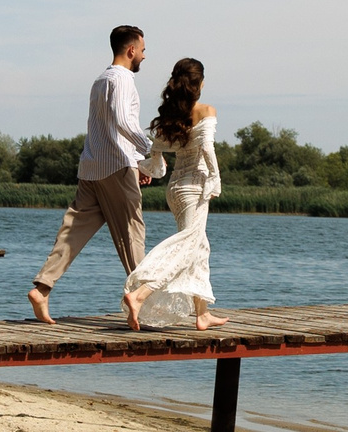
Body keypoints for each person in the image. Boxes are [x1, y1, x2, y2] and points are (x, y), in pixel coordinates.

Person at [26, 26, 166, 322]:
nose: (144, 55)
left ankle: (42, 288)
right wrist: (149, 152)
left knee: (74, 230)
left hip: (92, 166)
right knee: (132, 233)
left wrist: (136, 162)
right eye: (142, 49)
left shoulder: (100, 80)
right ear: (131, 50)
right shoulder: (123, 79)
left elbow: (101, 128)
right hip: (116, 166)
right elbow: (123, 122)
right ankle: (142, 300)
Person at [120, 58, 224, 331]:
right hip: (194, 188)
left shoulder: (172, 118)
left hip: (175, 190)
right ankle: (139, 295)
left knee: (198, 247)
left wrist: (150, 166)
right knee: (187, 246)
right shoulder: (206, 110)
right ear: (198, 83)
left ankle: (202, 314)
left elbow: (156, 157)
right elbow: (207, 149)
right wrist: (215, 179)